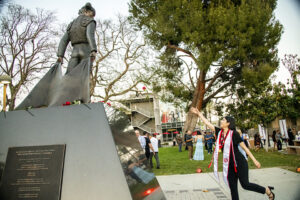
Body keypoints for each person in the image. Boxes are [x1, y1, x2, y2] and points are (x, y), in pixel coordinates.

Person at [191, 107, 275, 200]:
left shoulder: (234, 134)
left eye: (223, 120)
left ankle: (266, 190)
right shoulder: (220, 132)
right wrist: (199, 114)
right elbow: (207, 123)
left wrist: (255, 160)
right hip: (229, 165)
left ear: (228, 123)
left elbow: (244, 148)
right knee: (233, 189)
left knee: (245, 185)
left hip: (240, 163)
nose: (221, 121)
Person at [57, 3, 97, 73]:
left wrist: (60, 55)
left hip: (74, 52)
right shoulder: (90, 21)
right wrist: (93, 50)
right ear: (86, 11)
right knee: (84, 75)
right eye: (92, 15)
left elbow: (63, 41)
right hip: (86, 51)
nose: (92, 17)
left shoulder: (71, 24)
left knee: (69, 75)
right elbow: (89, 35)